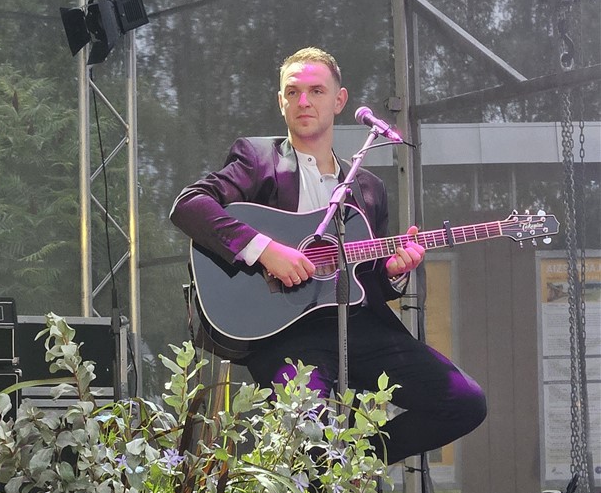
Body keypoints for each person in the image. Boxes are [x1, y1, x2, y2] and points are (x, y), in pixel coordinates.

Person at [170, 47, 486, 463]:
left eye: (316, 91)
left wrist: (393, 272)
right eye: (293, 92)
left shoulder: (368, 188)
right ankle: (327, 472)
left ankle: (355, 465)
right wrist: (266, 250)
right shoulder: (257, 159)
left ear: (339, 100)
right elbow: (189, 205)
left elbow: (368, 281)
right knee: (308, 434)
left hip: (359, 329)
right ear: (280, 101)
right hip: (283, 334)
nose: (304, 101)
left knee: (464, 401)